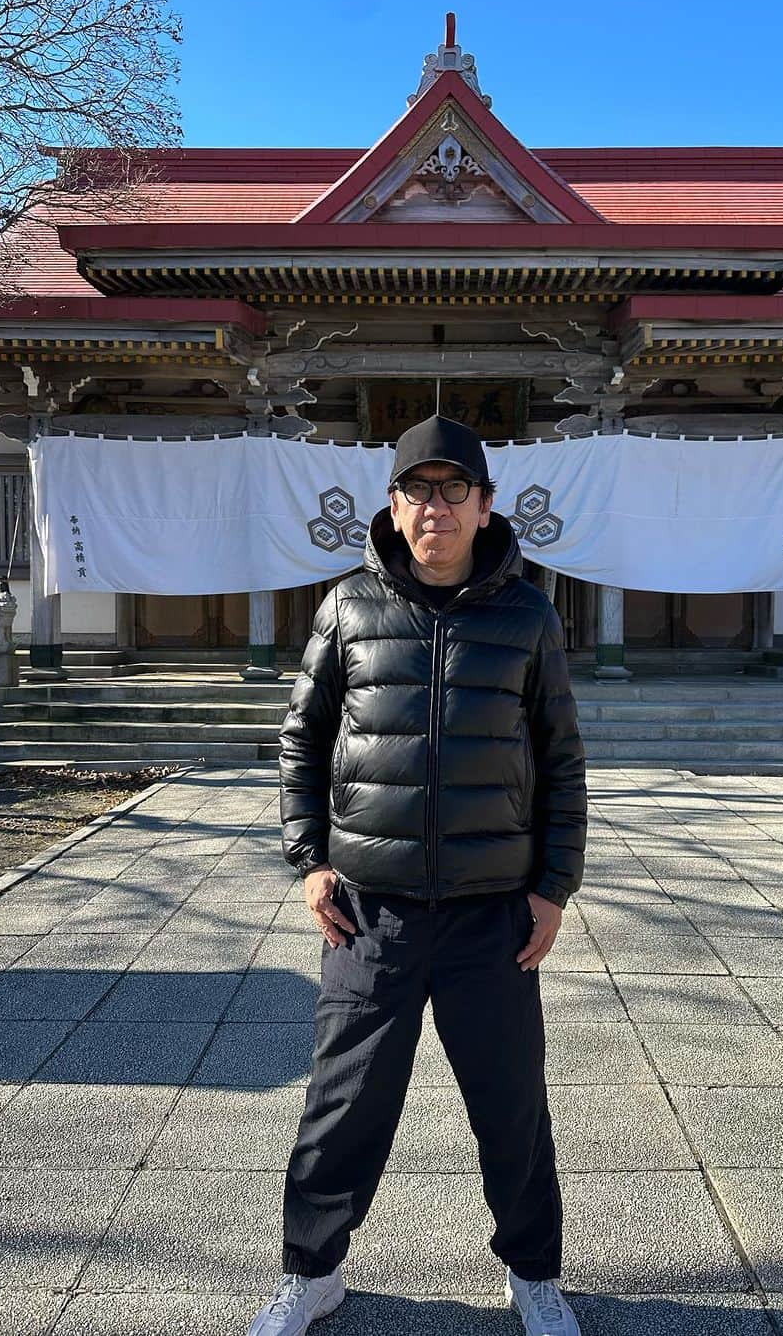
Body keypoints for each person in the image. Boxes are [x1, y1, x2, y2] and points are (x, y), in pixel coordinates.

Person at [247, 415, 587, 1336]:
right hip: (370, 912)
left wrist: (554, 887)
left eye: (453, 490)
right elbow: (302, 738)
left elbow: (561, 757)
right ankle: (313, 1273)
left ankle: (535, 1274)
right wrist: (310, 860)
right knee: (341, 1106)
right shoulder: (350, 606)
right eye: (417, 490)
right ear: (393, 507)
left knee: (510, 1106)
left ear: (483, 506)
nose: (434, 508)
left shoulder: (526, 615)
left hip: (493, 915)